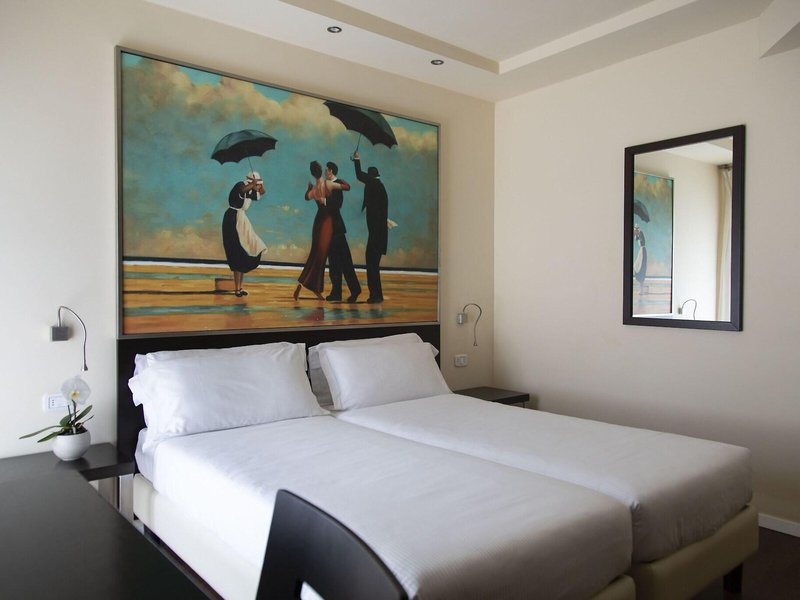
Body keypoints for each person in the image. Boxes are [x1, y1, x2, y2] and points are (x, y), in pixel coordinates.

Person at [293, 161, 350, 301]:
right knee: (321, 256)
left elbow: (306, 197)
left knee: (315, 254)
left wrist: (309, 188)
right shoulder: (328, 184)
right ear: (321, 172)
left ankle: (305, 285)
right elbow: (347, 187)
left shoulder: (314, 190)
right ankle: (314, 288)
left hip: (318, 222)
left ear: (313, 174)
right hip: (327, 224)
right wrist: (340, 181)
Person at [222, 171, 267, 297]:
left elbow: (262, 192)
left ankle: (240, 288)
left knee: (245, 252)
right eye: (255, 184)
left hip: (241, 220)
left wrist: (259, 185)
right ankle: (237, 289)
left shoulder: (250, 191)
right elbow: (242, 190)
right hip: (232, 220)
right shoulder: (240, 185)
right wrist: (253, 184)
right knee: (236, 252)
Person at [352, 151, 388, 303]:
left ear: (371, 177)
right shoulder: (379, 186)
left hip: (376, 235)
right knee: (373, 265)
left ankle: (375, 295)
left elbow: (359, 175)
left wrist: (357, 159)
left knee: (371, 264)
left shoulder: (374, 184)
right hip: (378, 234)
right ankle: (376, 295)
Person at [324, 161, 361, 303]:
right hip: (331, 228)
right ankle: (337, 292)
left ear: (331, 171)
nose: (325, 172)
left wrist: (324, 201)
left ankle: (354, 290)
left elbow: (336, 205)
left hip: (336, 229)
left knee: (344, 261)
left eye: (326, 170)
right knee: (334, 262)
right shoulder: (330, 184)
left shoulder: (337, 184)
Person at [633, 224, 648, 295]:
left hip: (643, 252)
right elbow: (636, 238)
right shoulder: (638, 235)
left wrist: (638, 233)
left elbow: (642, 242)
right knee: (637, 266)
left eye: (637, 229)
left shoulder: (641, 233)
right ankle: (641, 289)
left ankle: (641, 290)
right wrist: (635, 234)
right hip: (641, 251)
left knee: (641, 268)